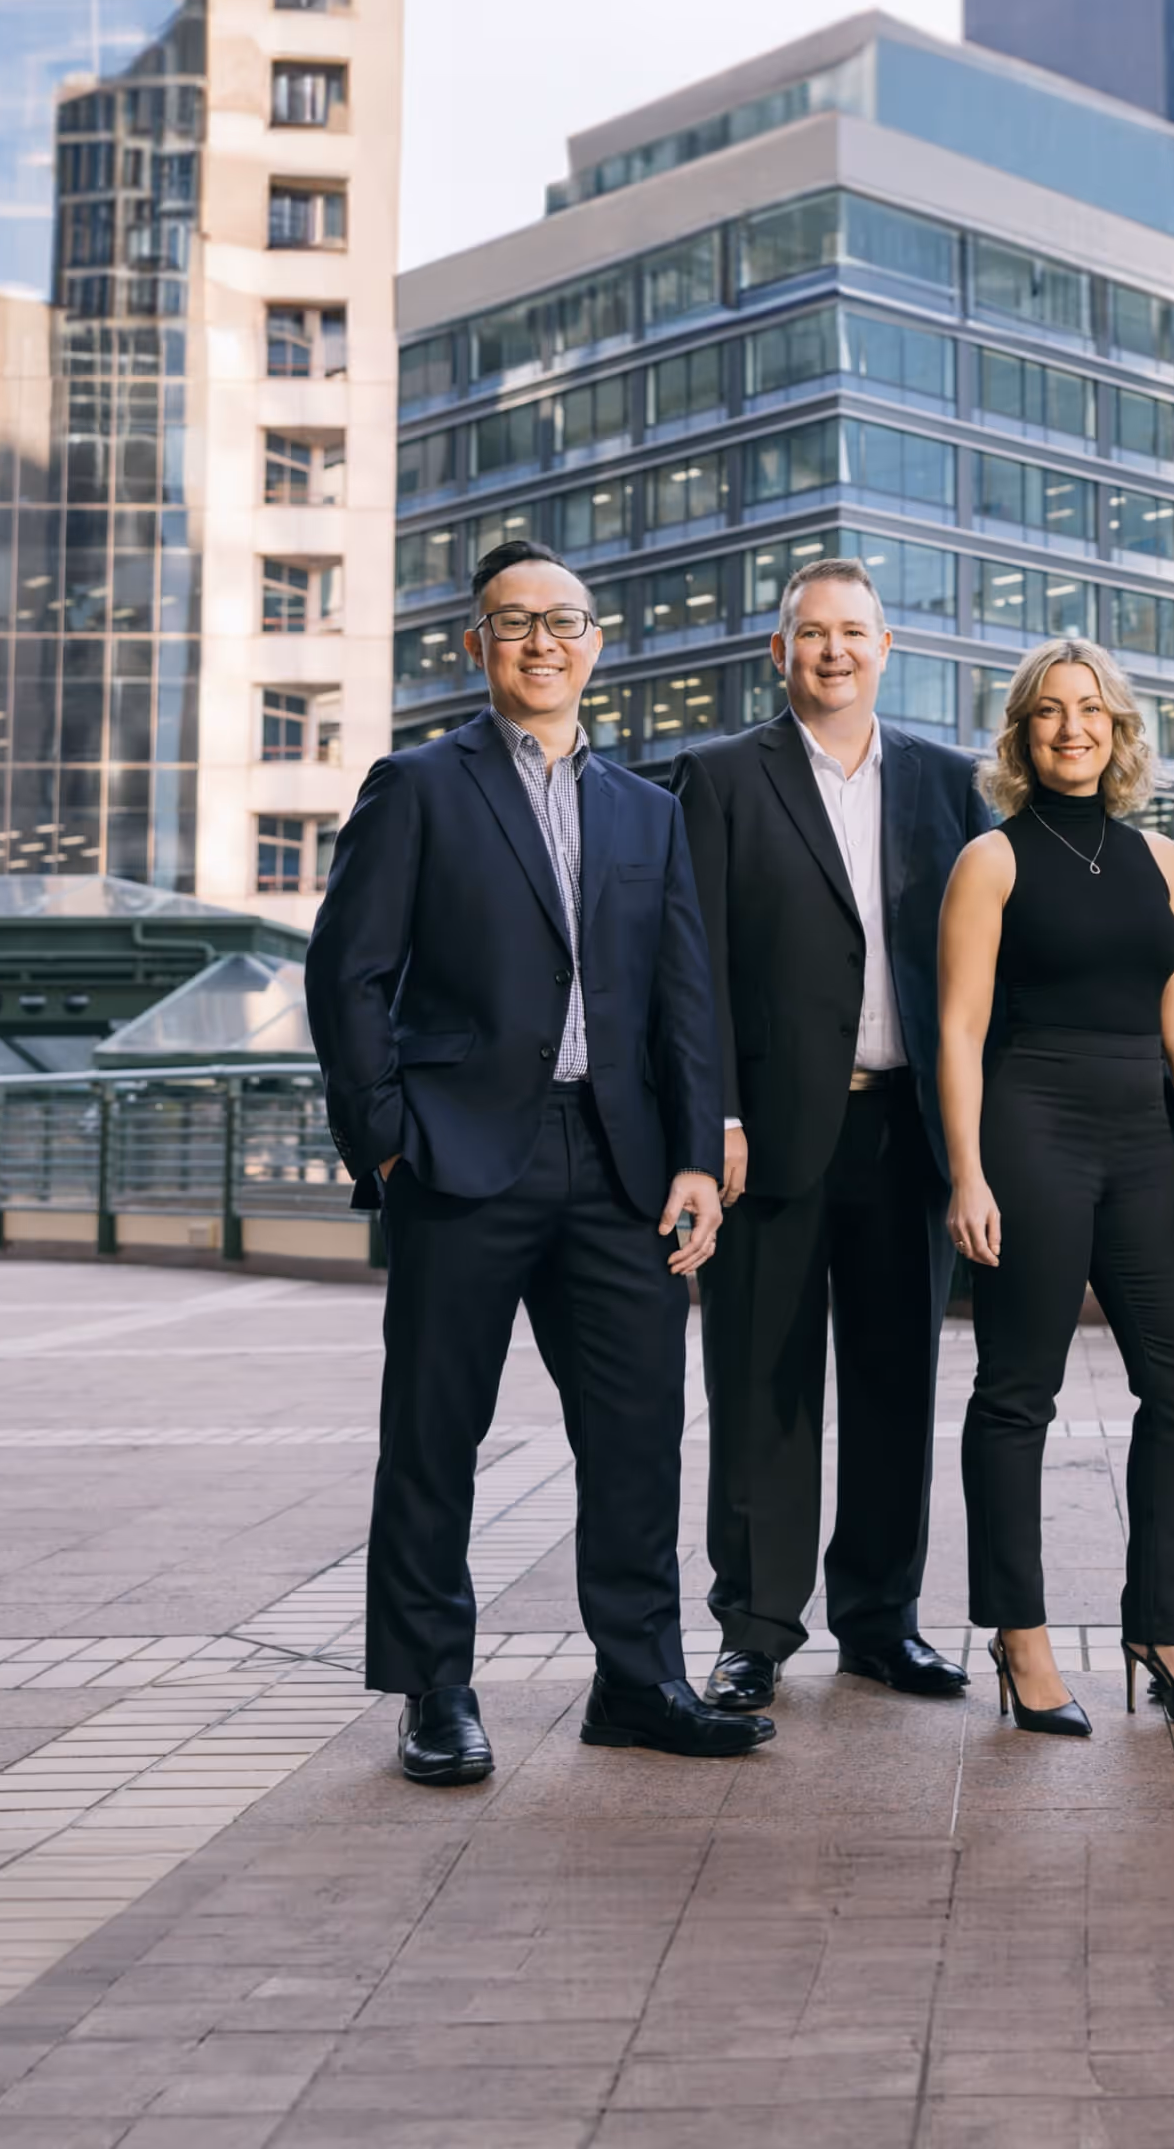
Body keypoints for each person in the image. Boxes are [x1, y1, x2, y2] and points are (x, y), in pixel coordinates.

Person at [306, 538, 755, 1776]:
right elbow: (347, 974)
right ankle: (432, 1689)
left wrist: (695, 1156)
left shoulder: (646, 811)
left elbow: (684, 1001)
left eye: (563, 622)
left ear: (596, 644)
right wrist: (387, 1142)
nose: (542, 643)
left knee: (637, 1432)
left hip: (618, 1165)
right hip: (458, 1158)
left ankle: (641, 1677)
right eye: (515, 624)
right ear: (478, 647)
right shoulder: (419, 786)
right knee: (434, 1431)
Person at [669, 557, 996, 1715]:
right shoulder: (715, 778)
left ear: (886, 647)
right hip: (767, 1136)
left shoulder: (950, 784)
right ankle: (754, 1625)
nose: (834, 652)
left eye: (854, 633)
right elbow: (691, 964)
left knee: (897, 1383)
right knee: (760, 1384)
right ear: (780, 652)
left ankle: (879, 1621)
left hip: (907, 1132)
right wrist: (715, 1118)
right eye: (812, 634)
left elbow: (984, 969)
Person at [935, 638, 1174, 1736]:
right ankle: (1020, 1643)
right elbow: (960, 1030)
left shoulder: (1161, 860)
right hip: (1034, 1129)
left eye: (1093, 712)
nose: (1073, 729)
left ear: (1120, 732)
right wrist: (968, 1171)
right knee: (1020, 1390)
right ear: (1021, 736)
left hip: (1147, 1139)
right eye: (1050, 714)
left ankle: (1164, 1633)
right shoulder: (992, 860)